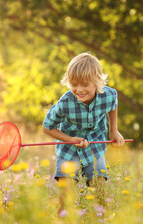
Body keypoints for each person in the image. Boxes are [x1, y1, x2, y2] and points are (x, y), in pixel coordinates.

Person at [42, 52, 125, 212]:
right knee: (65, 193)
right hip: (68, 149)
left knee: (99, 187)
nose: (79, 89)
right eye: (74, 84)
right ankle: (63, 220)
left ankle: (102, 219)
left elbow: (112, 104)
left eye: (85, 85)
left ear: (97, 82)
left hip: (94, 145)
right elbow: (47, 127)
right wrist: (69, 139)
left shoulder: (107, 95)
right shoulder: (65, 103)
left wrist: (114, 131)